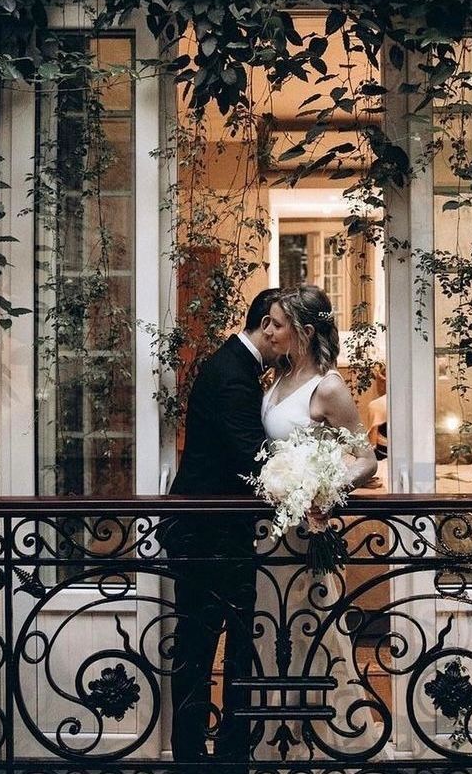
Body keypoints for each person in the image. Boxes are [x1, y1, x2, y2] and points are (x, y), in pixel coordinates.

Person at [252, 285, 393, 763]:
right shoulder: (275, 378)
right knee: (272, 636)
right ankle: (278, 743)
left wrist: (323, 492)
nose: (267, 330)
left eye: (276, 323)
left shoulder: (328, 387)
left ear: (305, 332)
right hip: (272, 537)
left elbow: (365, 459)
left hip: (309, 534)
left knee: (318, 634)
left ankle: (332, 742)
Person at [164, 288, 279, 767]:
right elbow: (252, 456)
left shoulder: (235, 365)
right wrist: (315, 471)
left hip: (215, 529)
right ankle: (198, 754)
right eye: (286, 327)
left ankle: (219, 747)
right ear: (268, 326)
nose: (290, 338)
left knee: (221, 639)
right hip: (209, 532)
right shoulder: (233, 375)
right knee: (201, 641)